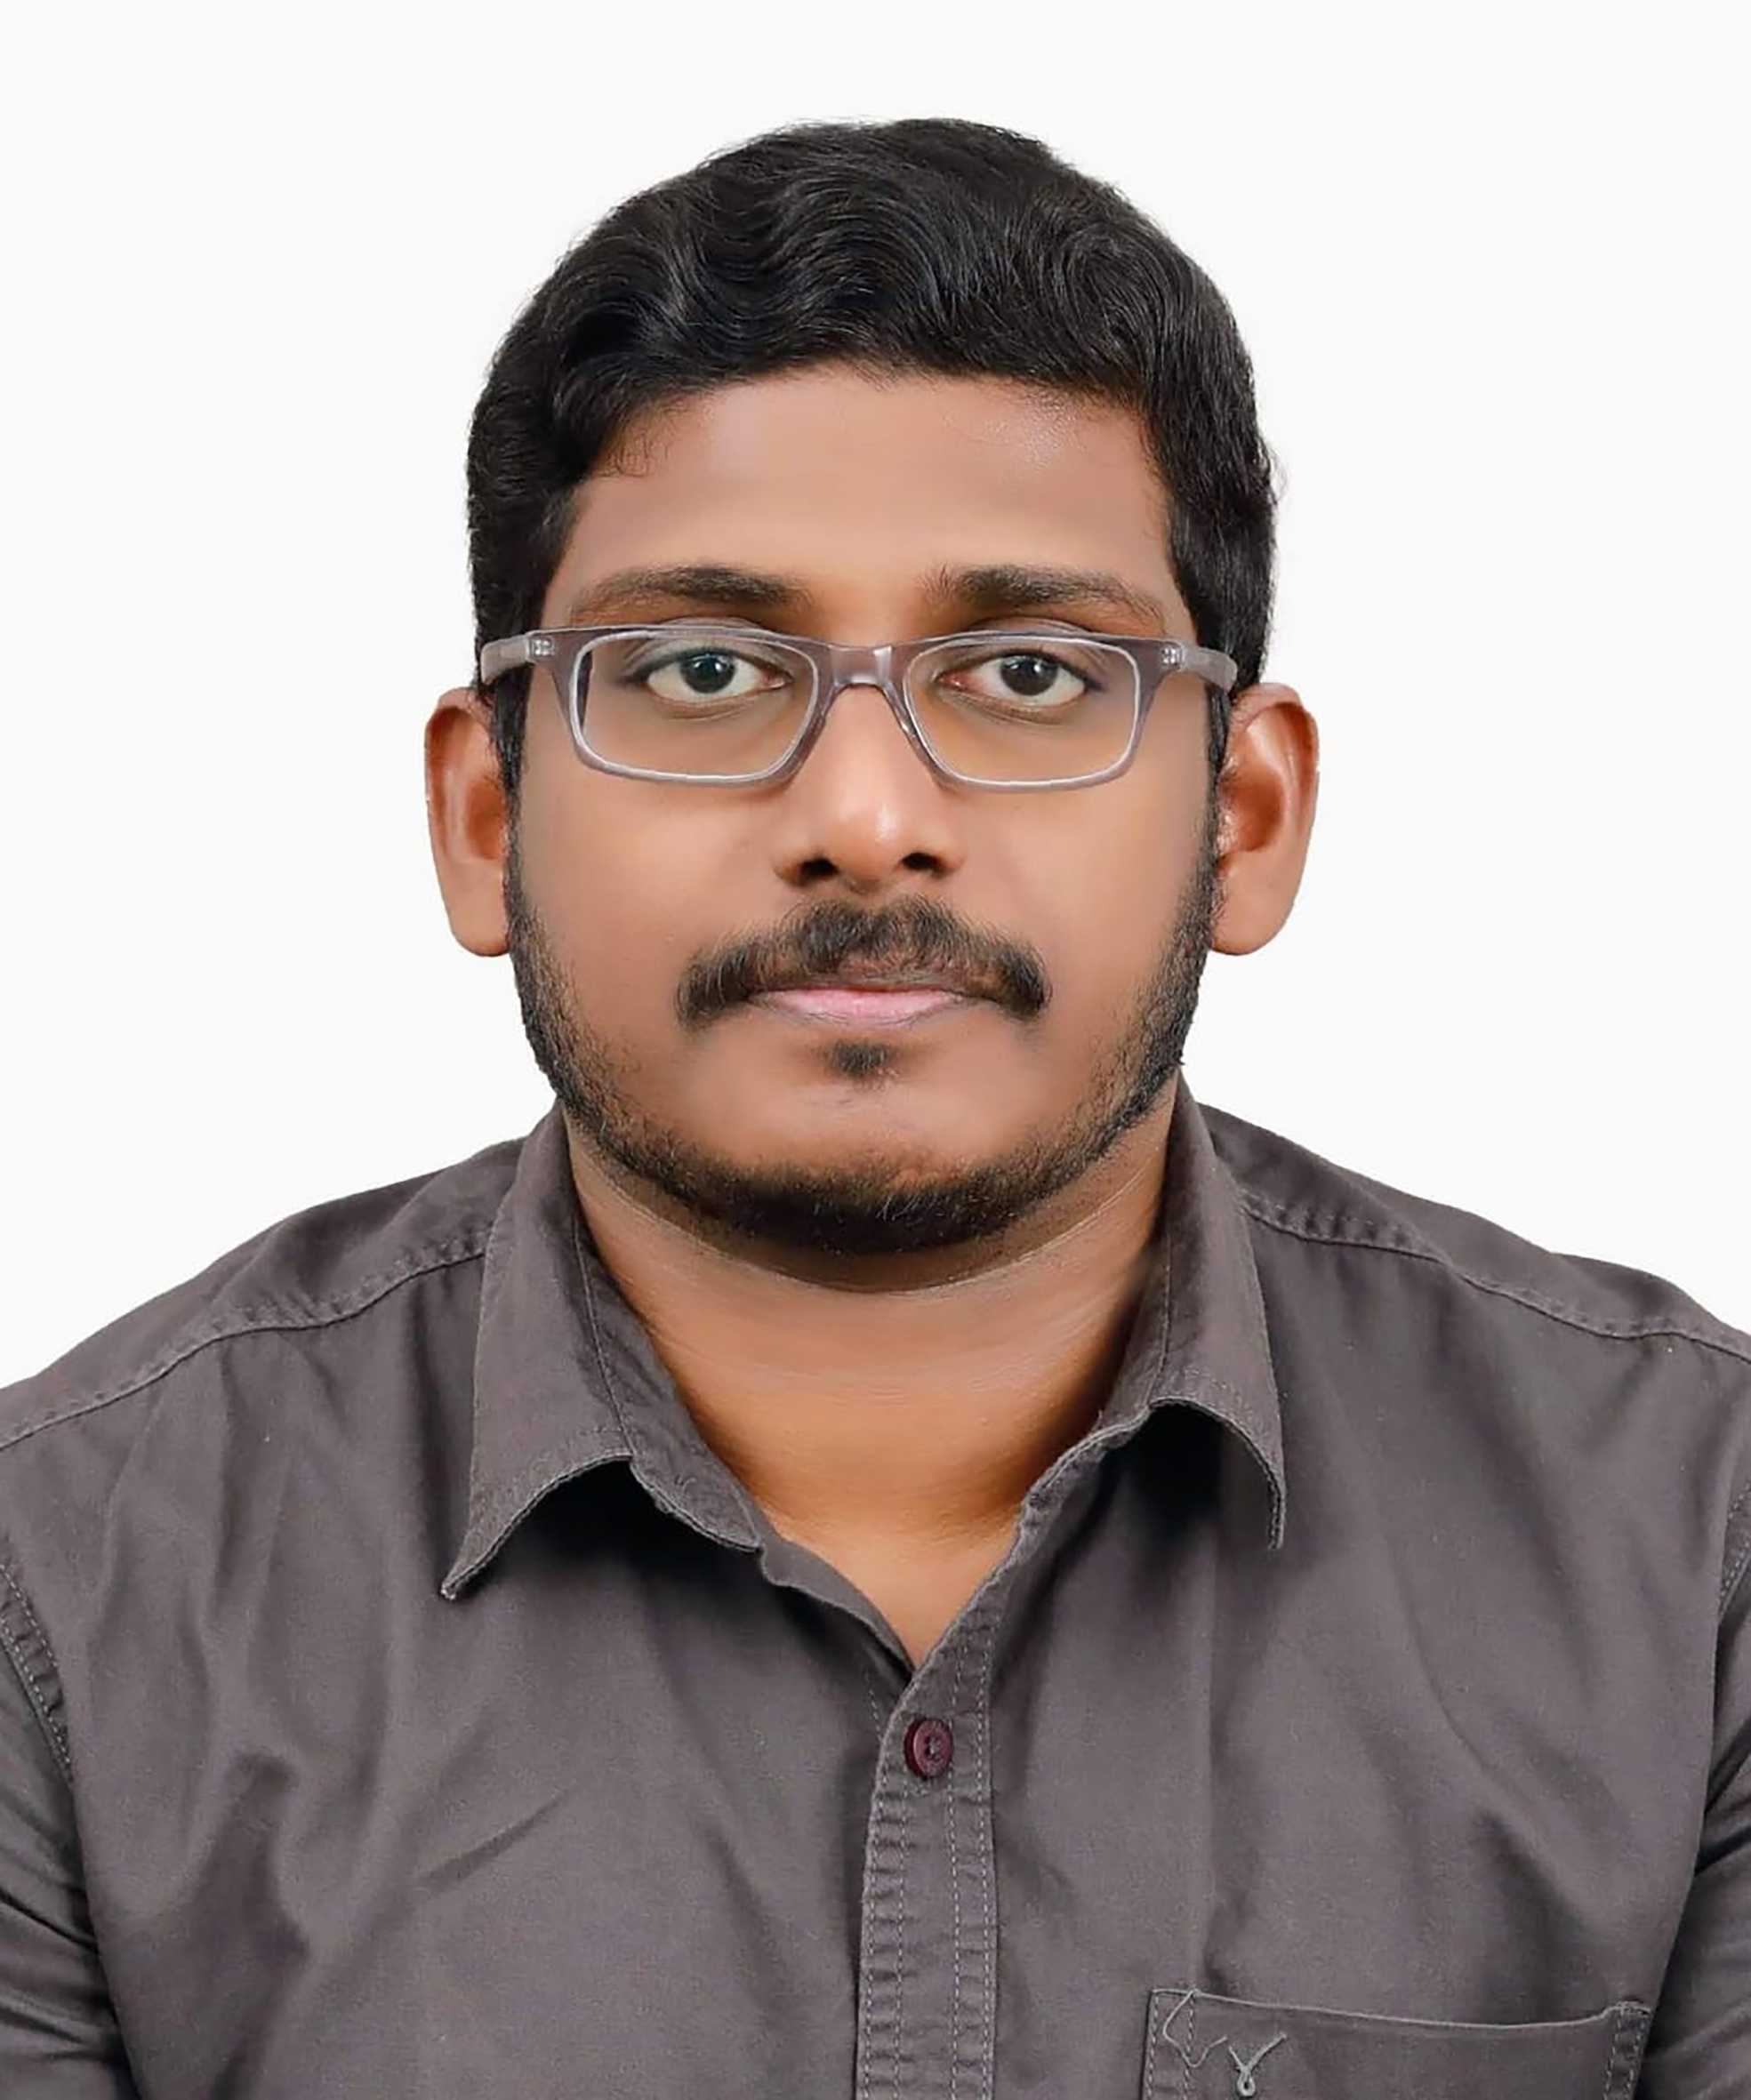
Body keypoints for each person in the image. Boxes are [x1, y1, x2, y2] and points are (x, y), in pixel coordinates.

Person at [0, 115, 1743, 2100]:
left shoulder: (1694, 1547)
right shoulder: (63, 1591)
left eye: (1030, 674)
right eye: (701, 668)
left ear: (1243, 816)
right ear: (485, 816)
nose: (863, 816)